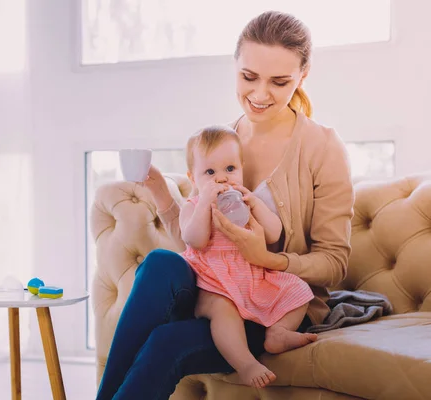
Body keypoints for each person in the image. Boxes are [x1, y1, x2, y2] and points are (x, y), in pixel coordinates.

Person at [96, 10, 354, 400]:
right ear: (235, 66)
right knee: (161, 263)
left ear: (303, 76)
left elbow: (334, 262)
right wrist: (165, 195)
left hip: (265, 305)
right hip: (215, 290)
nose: (260, 94)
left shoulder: (322, 147)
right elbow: (196, 242)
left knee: (168, 342)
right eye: (248, 77)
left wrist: (268, 259)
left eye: (279, 81)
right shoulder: (222, 141)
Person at [180, 125, 316, 388]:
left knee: (299, 290)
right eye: (210, 172)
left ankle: (279, 332)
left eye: (230, 169)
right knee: (223, 310)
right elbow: (193, 239)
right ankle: (244, 363)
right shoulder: (194, 206)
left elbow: (273, 234)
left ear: (241, 167)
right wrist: (206, 203)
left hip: (249, 276)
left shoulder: (244, 201)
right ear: (193, 178)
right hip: (212, 282)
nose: (222, 178)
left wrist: (255, 205)